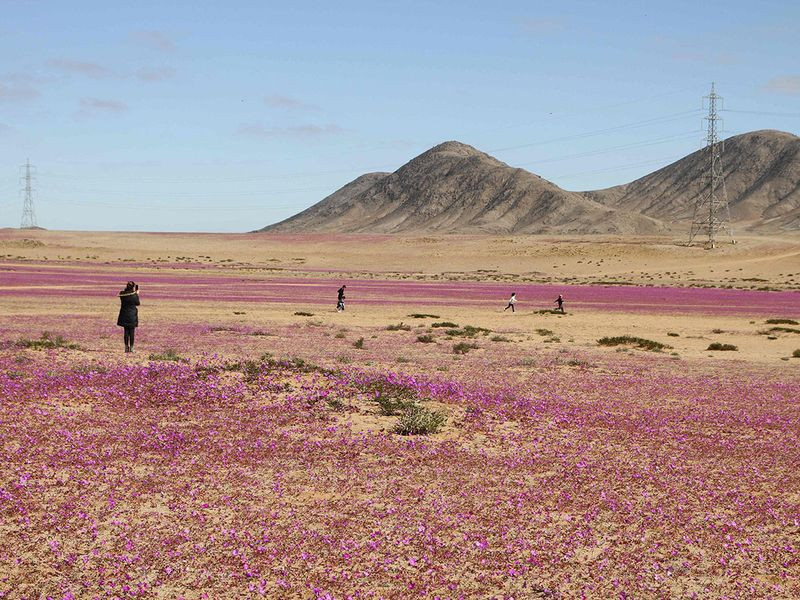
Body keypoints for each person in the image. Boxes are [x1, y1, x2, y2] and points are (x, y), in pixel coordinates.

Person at [117, 281, 140, 353]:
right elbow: (137, 303)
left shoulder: (122, 294)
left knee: (126, 332)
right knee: (132, 332)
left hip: (124, 314)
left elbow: (124, 296)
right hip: (132, 315)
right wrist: (137, 294)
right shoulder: (134, 295)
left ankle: (126, 347)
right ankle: (132, 348)